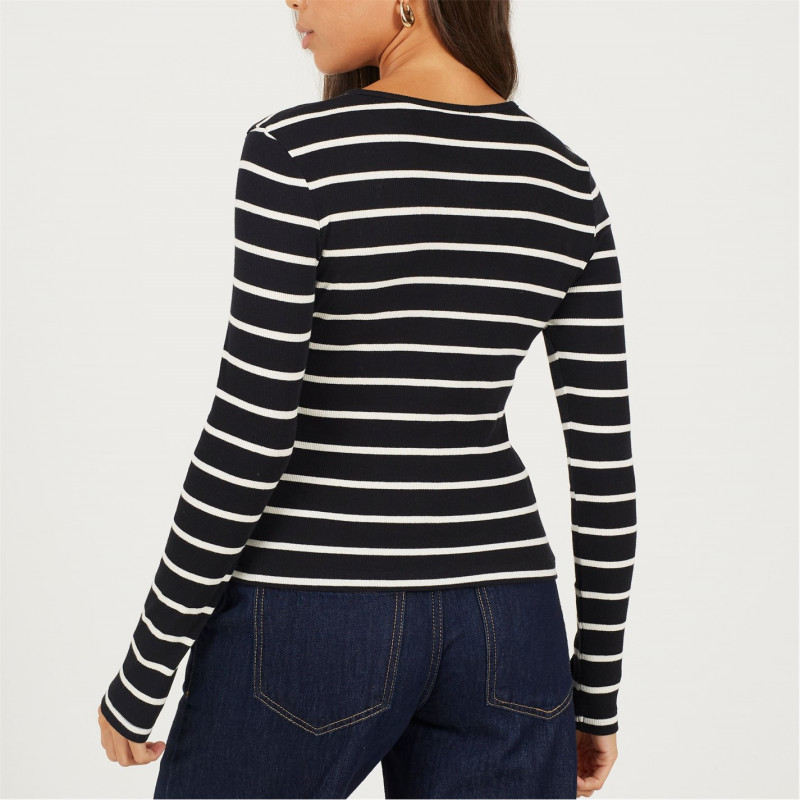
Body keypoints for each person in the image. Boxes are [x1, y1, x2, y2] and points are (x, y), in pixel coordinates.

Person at [97, 0, 638, 797]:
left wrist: (147, 664)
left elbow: (250, 432)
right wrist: (594, 696)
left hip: (312, 610)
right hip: (509, 626)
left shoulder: (298, 150)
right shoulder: (563, 176)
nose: (292, 0)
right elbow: (604, 469)